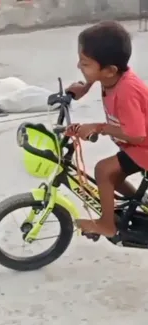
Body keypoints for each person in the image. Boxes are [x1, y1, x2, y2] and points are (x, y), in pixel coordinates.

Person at [66, 21, 148, 238]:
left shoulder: (127, 91)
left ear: (109, 70)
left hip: (142, 146)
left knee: (104, 170)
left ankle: (107, 224)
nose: (78, 67)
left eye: (85, 64)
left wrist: (101, 127)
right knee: (114, 176)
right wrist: (84, 87)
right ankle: (139, 202)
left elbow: (137, 133)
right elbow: (99, 77)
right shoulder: (112, 75)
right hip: (137, 146)